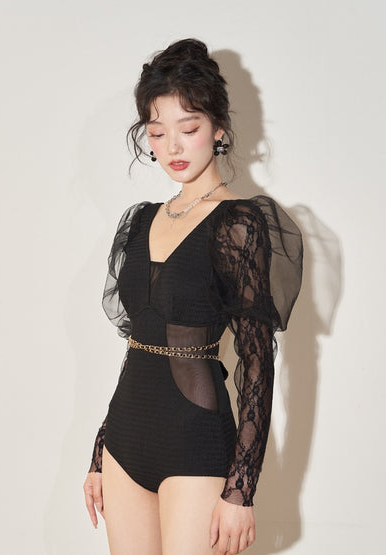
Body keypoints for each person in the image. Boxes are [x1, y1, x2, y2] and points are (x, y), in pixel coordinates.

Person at [83, 38, 303, 555]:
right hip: (124, 442)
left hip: (195, 444)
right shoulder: (140, 221)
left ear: (218, 129)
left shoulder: (238, 224)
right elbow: (141, 344)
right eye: (158, 132)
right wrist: (99, 449)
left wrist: (241, 490)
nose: (173, 148)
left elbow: (257, 361)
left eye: (189, 128)